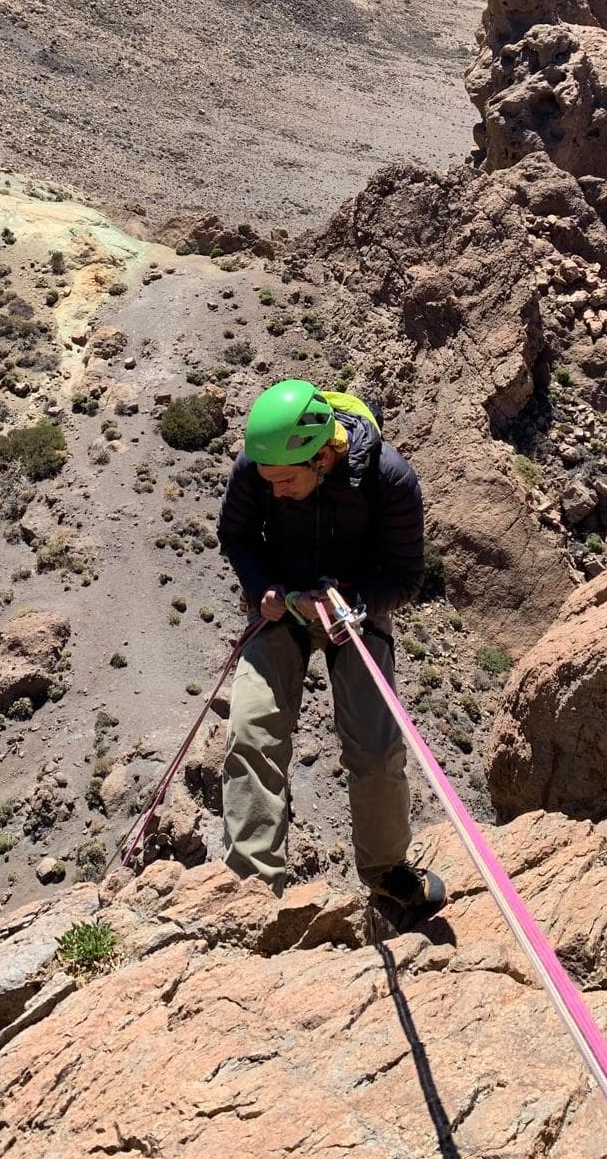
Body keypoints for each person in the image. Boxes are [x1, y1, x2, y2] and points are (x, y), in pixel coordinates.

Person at [216, 377, 445, 914]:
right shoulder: (258, 465)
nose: (274, 491)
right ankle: (252, 892)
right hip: (285, 605)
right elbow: (238, 535)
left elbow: (407, 576)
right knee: (252, 732)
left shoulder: (389, 478)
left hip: (355, 612)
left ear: (322, 458)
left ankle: (387, 871)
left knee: (375, 746)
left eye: (286, 481)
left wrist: (356, 601)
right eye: (267, 481)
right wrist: (265, 591)